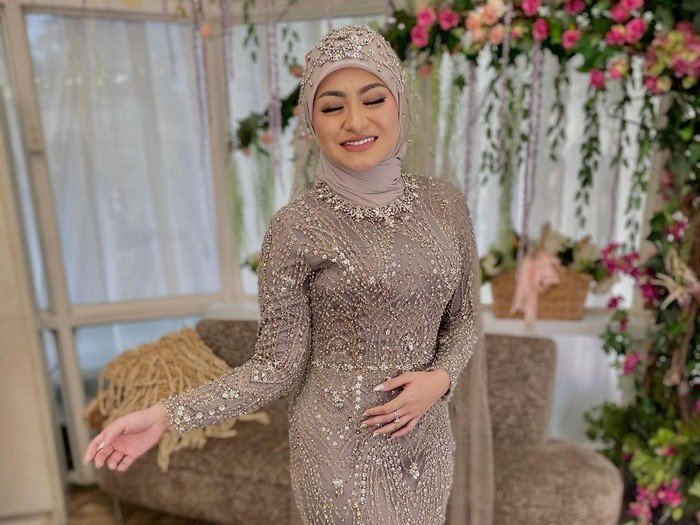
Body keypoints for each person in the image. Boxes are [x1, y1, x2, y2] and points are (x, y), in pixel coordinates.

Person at [84, 24, 494, 525]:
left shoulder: (445, 204)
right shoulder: (296, 227)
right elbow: (274, 367)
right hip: (338, 450)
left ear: (399, 104)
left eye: (373, 99)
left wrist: (441, 379)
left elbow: (464, 319)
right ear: (310, 124)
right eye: (332, 107)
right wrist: (166, 416)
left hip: (425, 443)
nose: (355, 121)